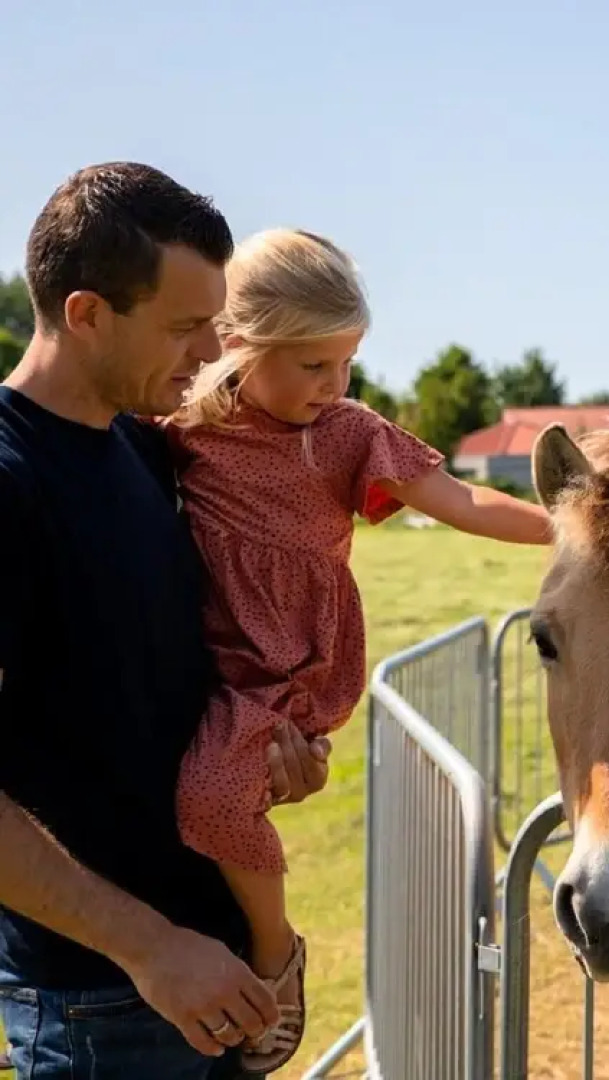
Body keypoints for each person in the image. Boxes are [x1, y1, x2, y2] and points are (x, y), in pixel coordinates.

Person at [161, 225, 553, 1072]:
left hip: (285, 665)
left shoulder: (345, 433)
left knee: (210, 797)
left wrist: (571, 527)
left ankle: (275, 949)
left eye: (348, 363)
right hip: (208, 652)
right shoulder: (185, 423)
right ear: (240, 342)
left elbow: (466, 502)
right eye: (313, 364)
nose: (334, 384)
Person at [0, 162, 333, 1078]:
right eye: (186, 328)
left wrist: (270, 761)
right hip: (101, 1001)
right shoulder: (9, 482)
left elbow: (150, 699)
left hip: (213, 977)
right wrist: (149, 948)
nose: (211, 354)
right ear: (86, 314)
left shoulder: (146, 452)